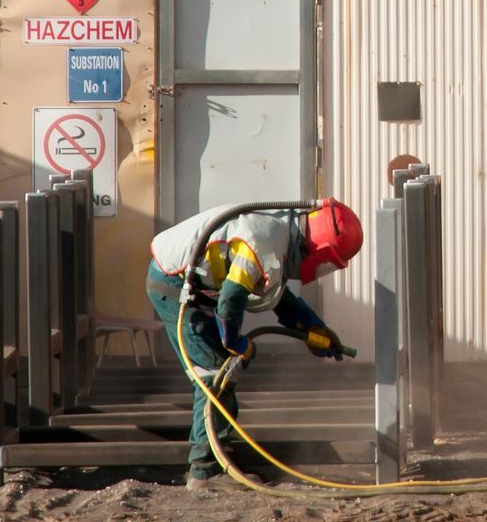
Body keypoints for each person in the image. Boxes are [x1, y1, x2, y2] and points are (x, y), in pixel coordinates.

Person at [145, 197, 363, 488]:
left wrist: (314, 328)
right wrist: (235, 342)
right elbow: (231, 300)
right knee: (215, 374)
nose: (321, 270)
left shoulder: (280, 233)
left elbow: (276, 296)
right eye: (326, 263)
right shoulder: (265, 243)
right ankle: (204, 472)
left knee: (221, 369)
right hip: (173, 283)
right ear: (320, 249)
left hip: (194, 283)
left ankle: (219, 457)